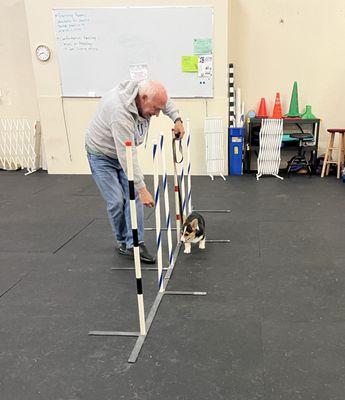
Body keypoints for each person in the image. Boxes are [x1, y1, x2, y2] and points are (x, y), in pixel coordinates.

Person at [85, 80, 185, 264]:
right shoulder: (119, 112)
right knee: (116, 201)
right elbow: (127, 154)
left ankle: (135, 244)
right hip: (101, 155)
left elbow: (165, 102)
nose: (156, 114)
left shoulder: (147, 94)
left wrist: (177, 119)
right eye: (155, 109)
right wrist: (142, 188)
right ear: (143, 98)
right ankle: (123, 242)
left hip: (120, 152)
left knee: (134, 198)